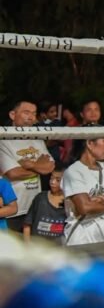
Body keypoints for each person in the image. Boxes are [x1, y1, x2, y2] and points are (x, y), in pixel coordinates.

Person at [0, 100, 55, 233]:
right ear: (12, 115)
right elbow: (12, 173)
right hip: (11, 208)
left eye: (34, 113)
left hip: (34, 207)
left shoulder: (36, 138)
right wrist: (39, 167)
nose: (31, 117)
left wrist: (30, 165)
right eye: (26, 112)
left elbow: (50, 167)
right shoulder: (3, 139)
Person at [62, 136, 104, 245]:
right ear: (90, 144)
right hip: (82, 237)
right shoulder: (74, 171)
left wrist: (100, 200)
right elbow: (85, 207)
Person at [22, 169, 66, 243]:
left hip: (59, 247)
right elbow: (27, 224)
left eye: (58, 180)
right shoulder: (40, 198)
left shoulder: (69, 201)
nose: (52, 182)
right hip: (37, 246)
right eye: (51, 178)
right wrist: (27, 245)